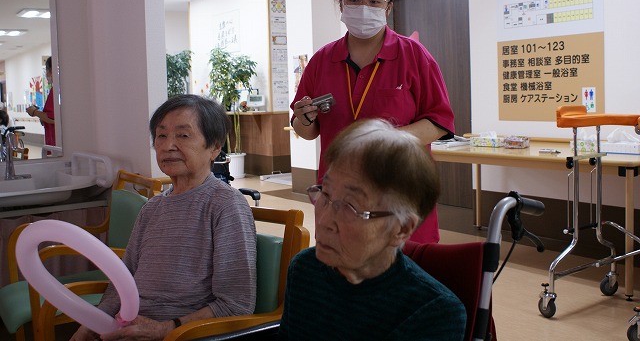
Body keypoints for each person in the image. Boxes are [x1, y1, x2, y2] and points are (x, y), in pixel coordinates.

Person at [290, 0, 455, 244]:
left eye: (374, 1)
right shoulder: (322, 60)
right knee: (340, 259)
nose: (364, 8)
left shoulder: (414, 56)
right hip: (338, 192)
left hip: (399, 189)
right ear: (341, 3)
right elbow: (306, 130)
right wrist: (303, 119)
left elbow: (439, 121)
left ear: (388, 7)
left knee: (403, 264)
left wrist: (387, 141)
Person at [71, 94, 257, 340]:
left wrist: (166, 329)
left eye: (183, 135)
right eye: (161, 136)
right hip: (128, 328)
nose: (168, 146)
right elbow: (123, 277)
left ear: (214, 147)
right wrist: (93, 323)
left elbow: (236, 304)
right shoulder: (152, 208)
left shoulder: (226, 205)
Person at [278, 119, 466, 340]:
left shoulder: (434, 312)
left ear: (401, 229)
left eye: (350, 206)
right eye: (325, 193)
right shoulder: (305, 269)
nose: (324, 221)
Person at [26, 56, 56, 146]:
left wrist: (34, 112)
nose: (46, 74)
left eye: (46, 70)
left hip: (55, 142)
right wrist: (42, 117)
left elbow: (53, 118)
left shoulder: (56, 91)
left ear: (51, 70)